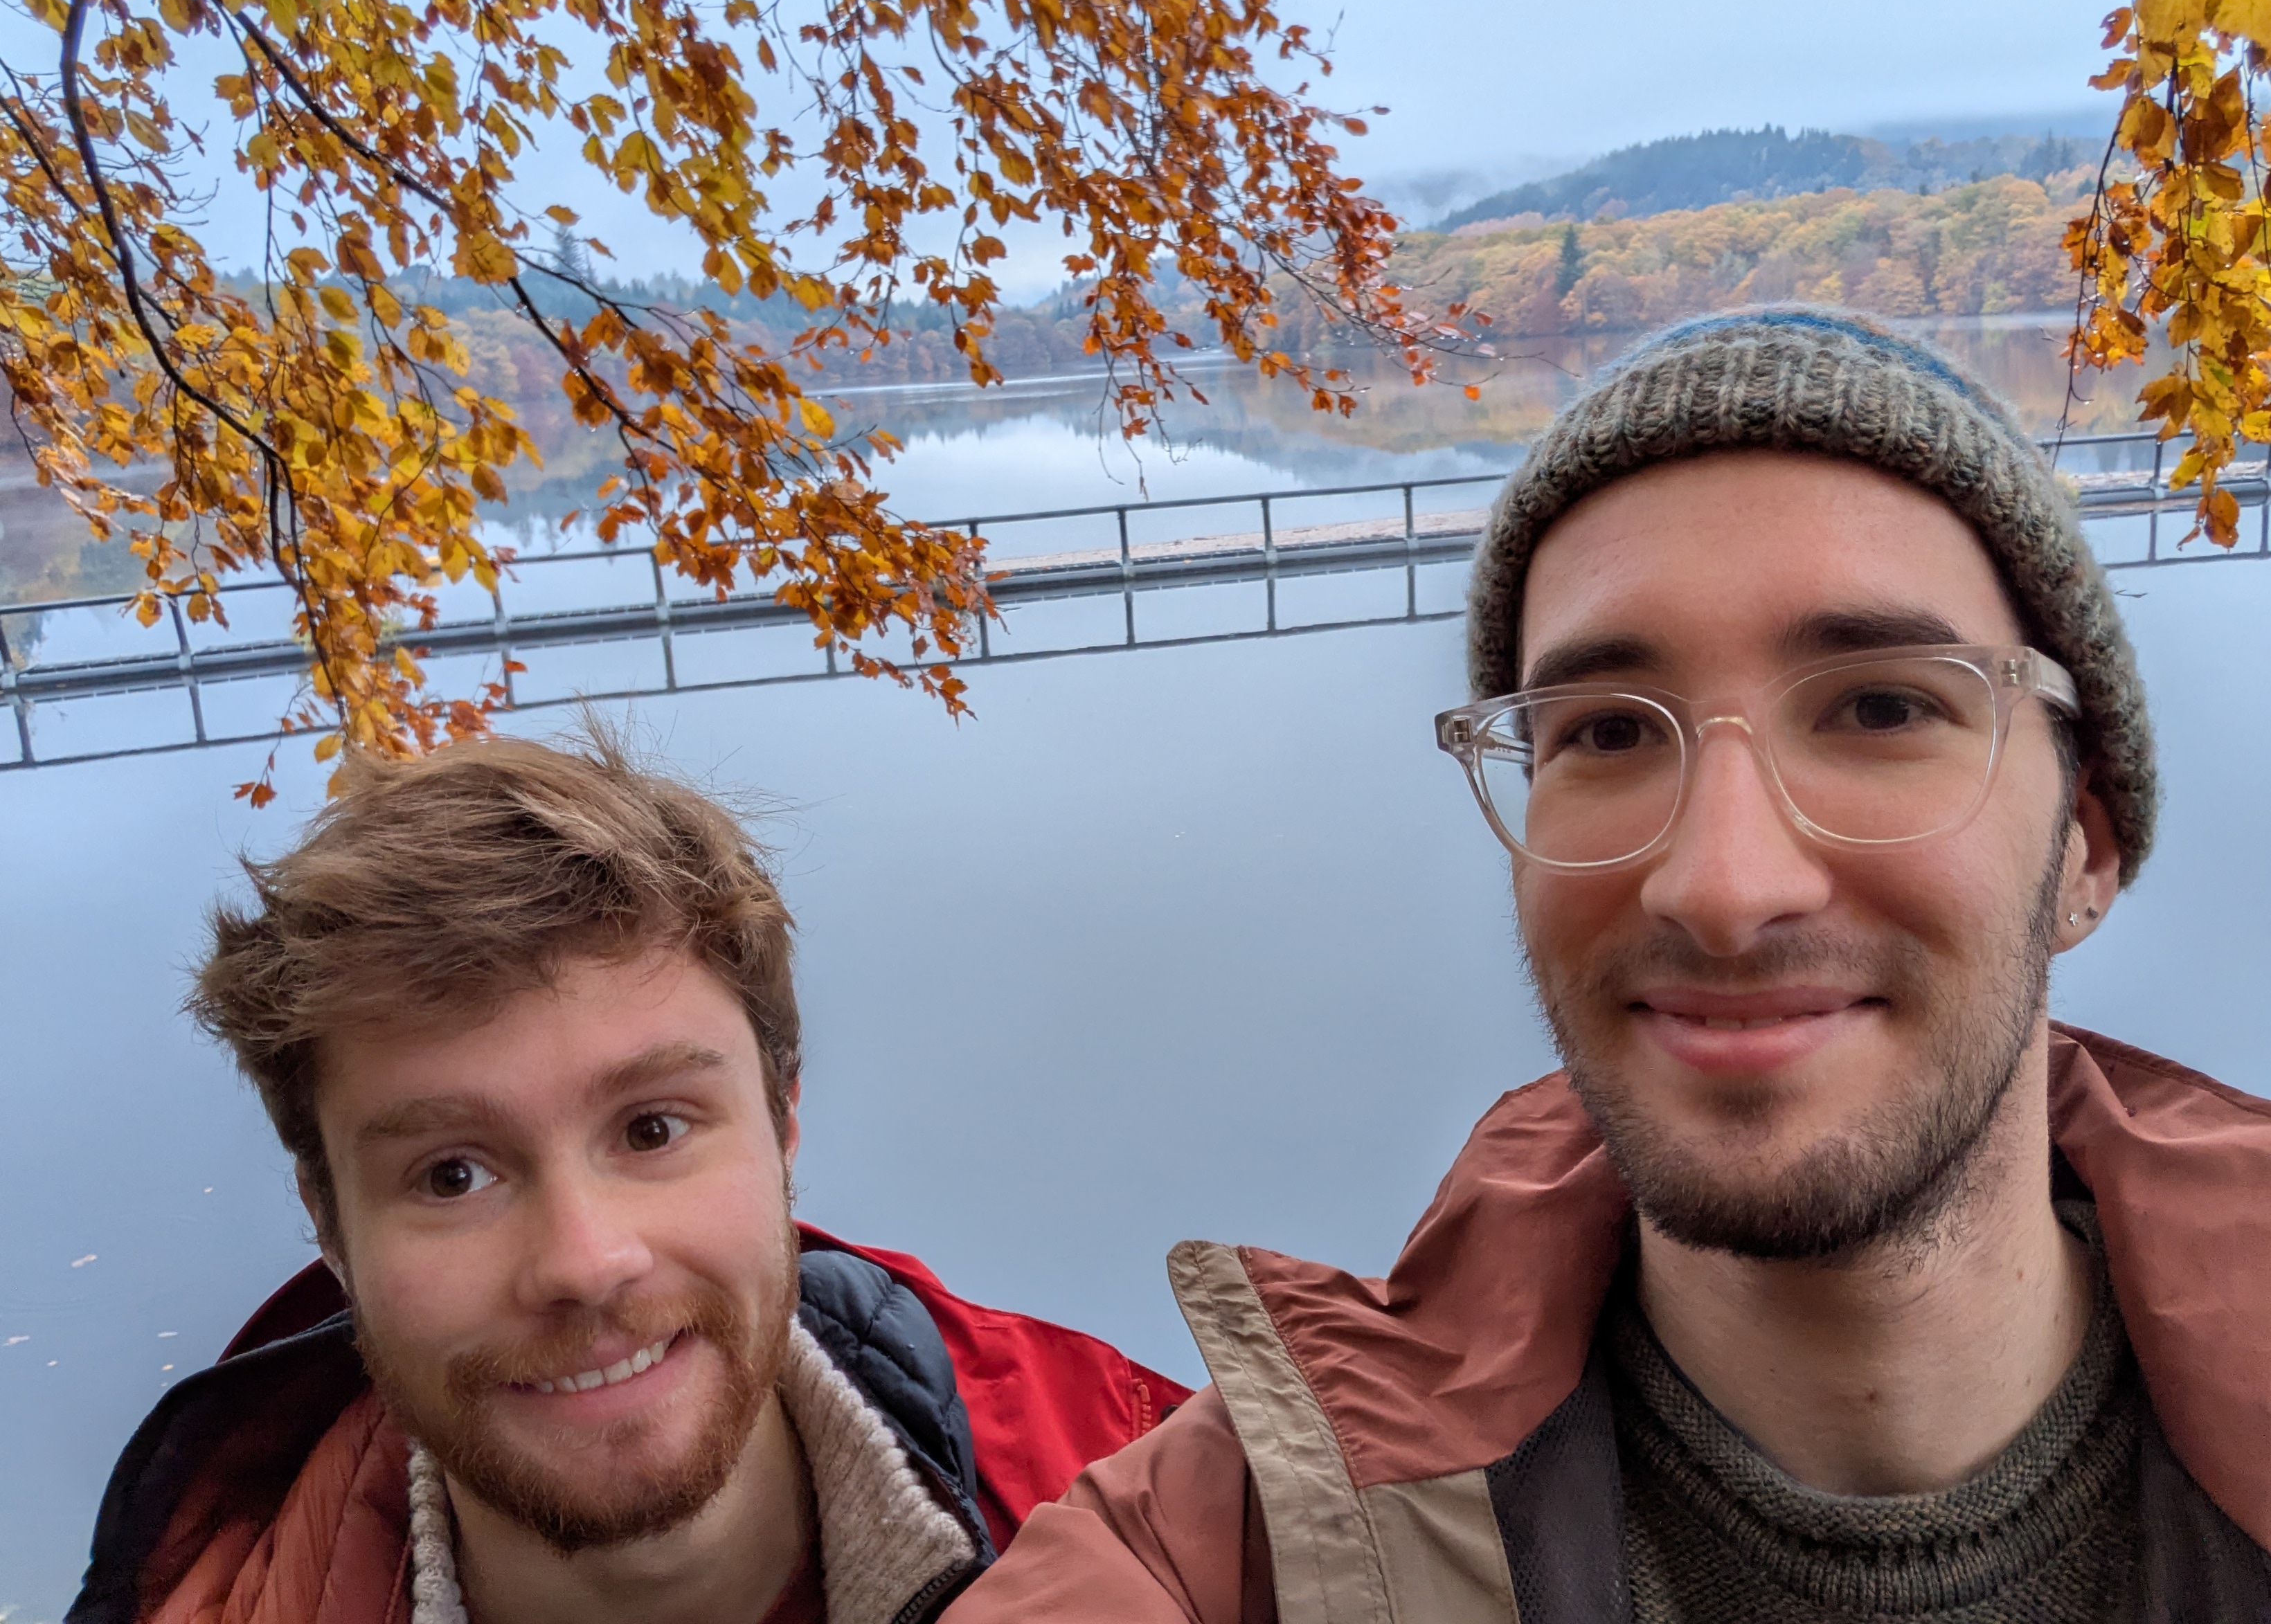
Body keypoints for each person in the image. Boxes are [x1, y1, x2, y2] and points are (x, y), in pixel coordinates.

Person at [946, 309, 2271, 1623]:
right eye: (1607, 733)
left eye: (1882, 707)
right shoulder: (1232, 1554)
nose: (1722, 886)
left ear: (2086, 851)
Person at [69, 731, 1187, 1624]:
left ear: (782, 1122)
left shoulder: (1185, 1522)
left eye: (652, 1129)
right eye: (452, 1174)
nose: (585, 1261)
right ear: (331, 1228)